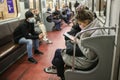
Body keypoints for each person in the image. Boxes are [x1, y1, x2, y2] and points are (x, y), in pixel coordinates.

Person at [44, 8, 106, 80]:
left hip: (86, 62)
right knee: (59, 54)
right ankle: (58, 70)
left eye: (80, 23)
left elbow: (90, 55)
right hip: (86, 56)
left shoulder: (95, 33)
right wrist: (78, 41)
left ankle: (61, 75)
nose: (79, 26)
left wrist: (78, 41)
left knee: (59, 55)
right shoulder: (93, 28)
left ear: (86, 21)